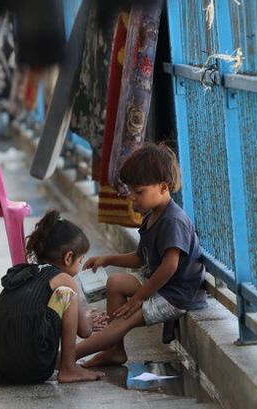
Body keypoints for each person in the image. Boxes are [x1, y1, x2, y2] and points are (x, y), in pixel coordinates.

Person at [77, 144, 207, 367]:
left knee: (122, 319)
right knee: (116, 282)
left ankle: (67, 356)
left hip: (176, 295)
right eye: (130, 192)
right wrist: (108, 259)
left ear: (163, 187)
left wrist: (139, 299)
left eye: (139, 192)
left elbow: (169, 267)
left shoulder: (172, 221)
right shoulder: (154, 214)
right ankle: (114, 351)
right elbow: (140, 258)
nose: (132, 198)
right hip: (161, 286)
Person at [0, 210, 106, 385]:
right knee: (67, 295)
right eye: (80, 260)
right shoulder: (64, 280)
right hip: (33, 367)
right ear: (68, 257)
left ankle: (60, 363)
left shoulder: (22, 274)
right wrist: (87, 319)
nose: (80, 264)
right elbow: (84, 331)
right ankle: (69, 369)